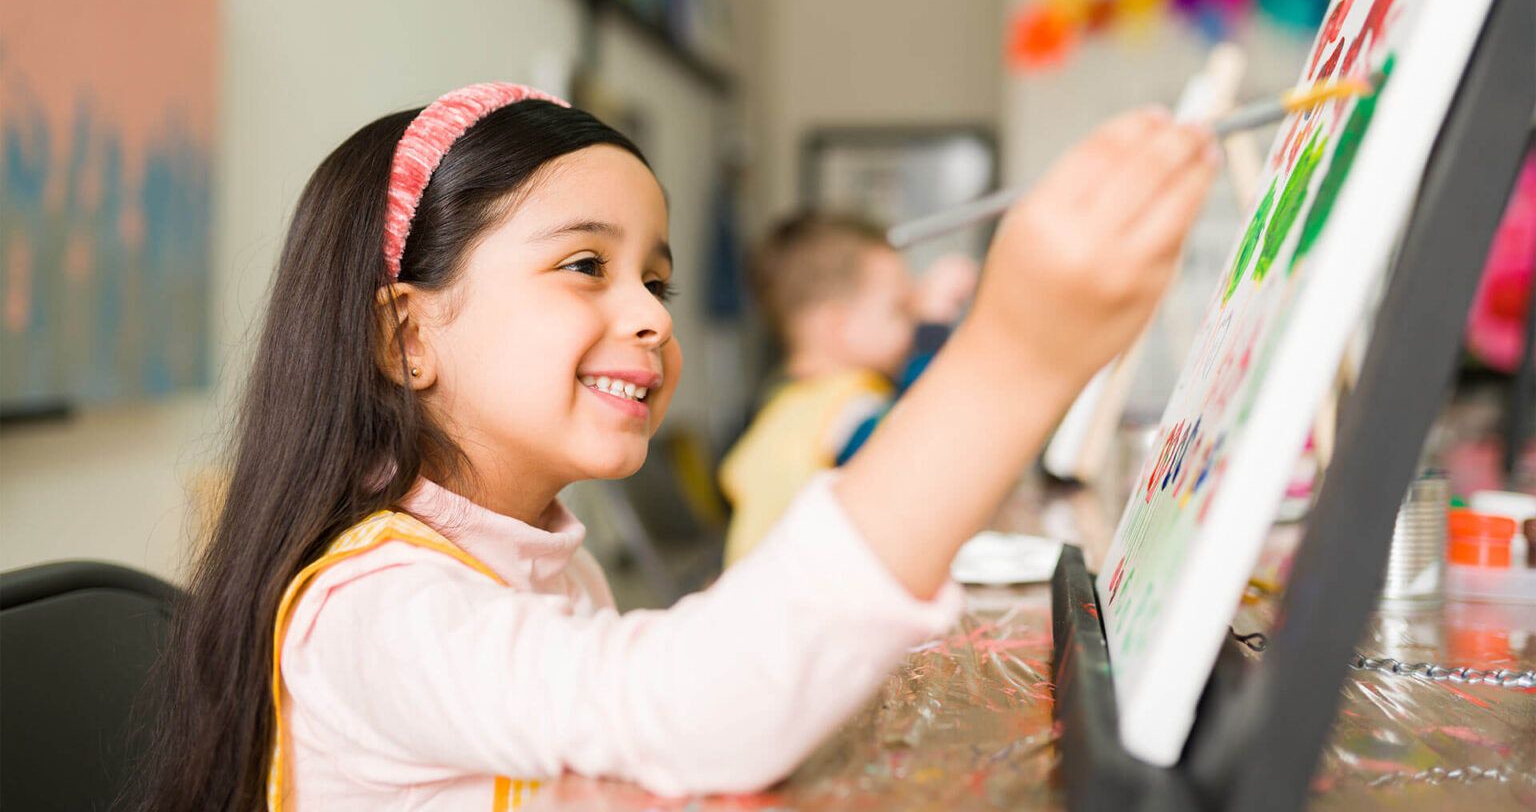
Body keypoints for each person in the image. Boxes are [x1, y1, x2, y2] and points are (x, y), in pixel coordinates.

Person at [135, 84, 1215, 810]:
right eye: (584, 267)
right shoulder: (376, 612)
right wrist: (1011, 357)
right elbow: (694, 705)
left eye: (656, 279)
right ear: (406, 332)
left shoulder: (546, 554)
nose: (651, 317)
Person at [720, 215, 976, 564]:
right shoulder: (842, 407)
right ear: (837, 326)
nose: (911, 322)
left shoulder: (786, 399)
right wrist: (933, 323)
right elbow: (914, 443)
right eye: (900, 309)